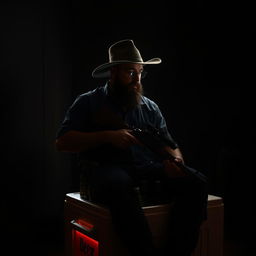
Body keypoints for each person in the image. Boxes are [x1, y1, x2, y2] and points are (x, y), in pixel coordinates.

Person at [55, 39, 208, 256]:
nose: (137, 79)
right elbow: (62, 142)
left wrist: (175, 161)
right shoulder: (88, 102)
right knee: (118, 184)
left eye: (140, 72)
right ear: (113, 72)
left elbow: (170, 144)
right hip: (105, 168)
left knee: (196, 182)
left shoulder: (150, 108)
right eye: (130, 72)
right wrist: (107, 136)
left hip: (146, 168)